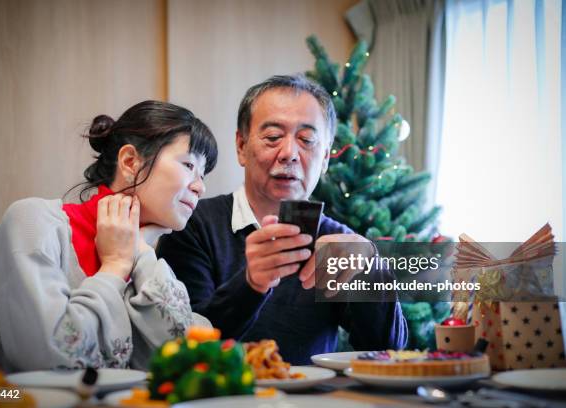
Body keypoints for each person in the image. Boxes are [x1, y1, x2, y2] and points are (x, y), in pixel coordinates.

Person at [158, 75, 408, 365]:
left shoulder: (338, 243)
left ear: (325, 158)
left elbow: (386, 352)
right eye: (273, 137)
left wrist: (371, 271)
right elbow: (184, 348)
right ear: (241, 146)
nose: (289, 153)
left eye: (307, 140)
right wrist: (251, 284)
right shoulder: (192, 225)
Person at [0, 100, 218, 372]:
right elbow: (54, 360)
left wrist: (141, 251)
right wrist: (115, 265)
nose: (201, 187)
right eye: (189, 165)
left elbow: (184, 361)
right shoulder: (33, 222)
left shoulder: (146, 259)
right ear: (130, 162)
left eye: (203, 173)